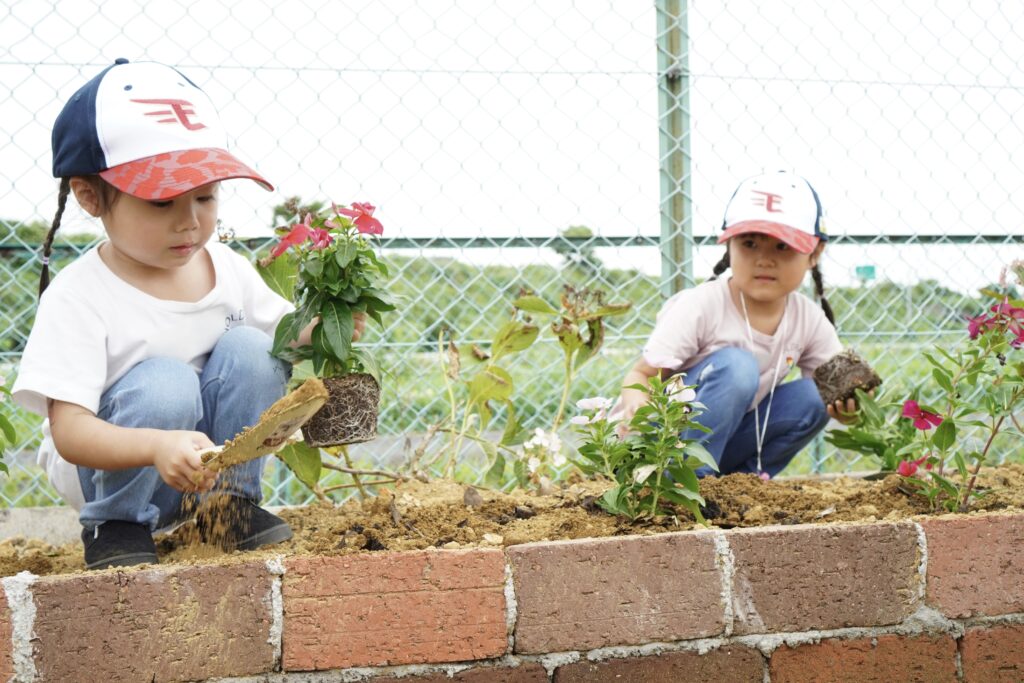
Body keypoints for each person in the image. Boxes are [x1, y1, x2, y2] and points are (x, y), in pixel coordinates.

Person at [11, 59, 360, 570]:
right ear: (90, 196)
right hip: (116, 473)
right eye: (161, 203)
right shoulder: (79, 295)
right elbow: (70, 434)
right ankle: (117, 526)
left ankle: (230, 508)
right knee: (166, 382)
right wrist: (155, 445)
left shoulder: (225, 267)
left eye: (206, 196)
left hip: (203, 473)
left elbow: (288, 339)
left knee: (256, 349)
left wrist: (328, 326)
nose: (191, 223)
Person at [618, 170, 860, 478]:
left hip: (723, 445)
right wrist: (636, 399)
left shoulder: (808, 317)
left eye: (782, 246)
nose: (764, 259)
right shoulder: (701, 304)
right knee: (736, 366)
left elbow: (844, 389)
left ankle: (739, 487)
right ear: (729, 247)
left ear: (815, 253)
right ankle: (686, 483)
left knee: (816, 394)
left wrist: (851, 408)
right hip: (659, 449)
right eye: (749, 243)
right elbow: (639, 374)